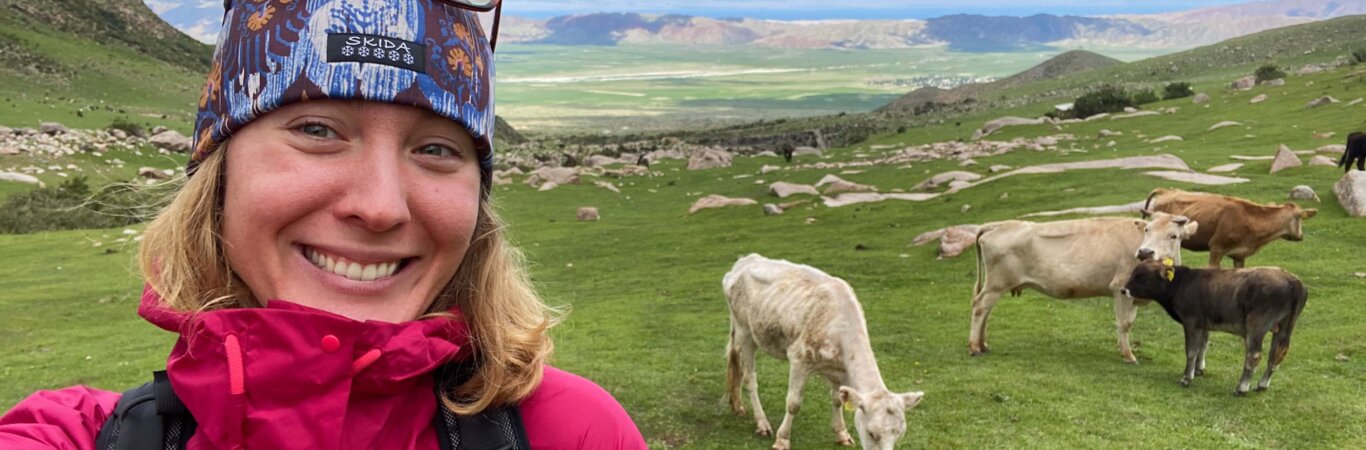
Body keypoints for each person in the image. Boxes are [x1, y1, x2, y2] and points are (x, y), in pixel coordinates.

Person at [0, 0, 648, 448]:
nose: (382, 206)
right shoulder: (73, 437)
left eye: (436, 149)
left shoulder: (573, 434)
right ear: (218, 177)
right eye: (317, 129)